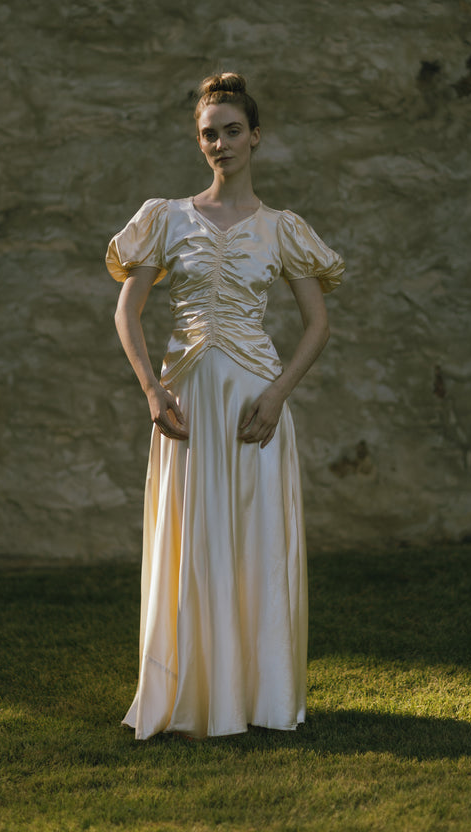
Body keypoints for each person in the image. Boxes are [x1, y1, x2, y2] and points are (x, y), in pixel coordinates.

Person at [106, 72, 344, 739]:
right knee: (191, 537)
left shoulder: (281, 228)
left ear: (256, 137)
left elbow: (317, 324)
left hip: (254, 405)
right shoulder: (165, 217)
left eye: (232, 130)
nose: (220, 143)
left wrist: (277, 395)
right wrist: (153, 392)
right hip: (184, 405)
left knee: (254, 543)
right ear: (199, 140)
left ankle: (259, 698)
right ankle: (192, 697)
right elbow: (128, 312)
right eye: (209, 133)